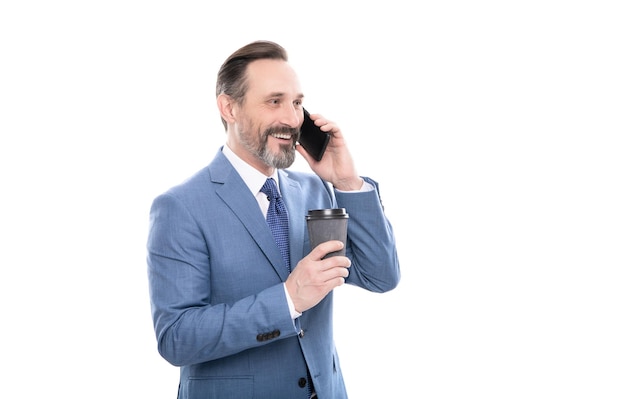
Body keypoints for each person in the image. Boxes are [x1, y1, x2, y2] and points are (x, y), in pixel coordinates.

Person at [147, 40, 400, 399]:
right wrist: (287, 299)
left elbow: (381, 276)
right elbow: (177, 337)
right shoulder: (180, 207)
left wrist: (346, 181)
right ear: (229, 107)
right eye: (274, 101)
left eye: (297, 103)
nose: (293, 119)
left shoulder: (318, 191)